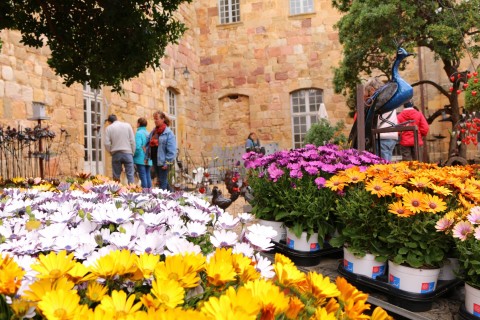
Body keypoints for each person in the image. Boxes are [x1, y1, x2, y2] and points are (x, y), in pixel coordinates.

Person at [363, 78, 399, 161]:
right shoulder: (389, 97)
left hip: (382, 136)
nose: (369, 97)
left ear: (372, 89)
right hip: (391, 135)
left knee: (383, 167)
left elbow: (373, 119)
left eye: (368, 94)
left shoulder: (379, 100)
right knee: (386, 162)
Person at [146, 111, 176, 190]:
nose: (155, 121)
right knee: (161, 180)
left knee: (162, 181)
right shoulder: (153, 132)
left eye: (157, 119)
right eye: (154, 119)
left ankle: (163, 199)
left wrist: (167, 162)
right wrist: (146, 156)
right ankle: (173, 196)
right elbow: (148, 143)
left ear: (163, 119)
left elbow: (172, 151)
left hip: (163, 161)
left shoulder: (168, 133)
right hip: (155, 159)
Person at [104, 114, 136, 184]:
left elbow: (106, 143)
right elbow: (132, 141)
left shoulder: (109, 128)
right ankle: (132, 191)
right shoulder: (127, 125)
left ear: (109, 122)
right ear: (116, 119)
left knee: (116, 177)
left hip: (116, 153)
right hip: (128, 153)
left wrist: (111, 151)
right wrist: (132, 152)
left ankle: (116, 193)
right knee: (130, 176)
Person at [133, 117, 152, 188]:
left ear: (139, 124)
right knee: (148, 175)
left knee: (143, 176)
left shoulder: (138, 133)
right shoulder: (148, 133)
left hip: (141, 158)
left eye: (137, 123)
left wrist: (134, 156)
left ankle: (145, 194)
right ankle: (149, 193)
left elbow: (137, 147)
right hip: (148, 158)